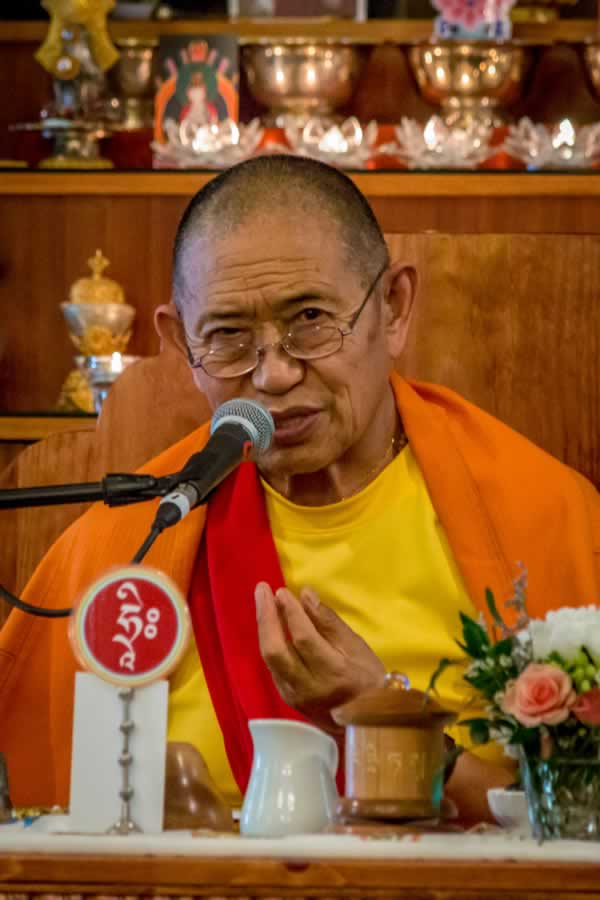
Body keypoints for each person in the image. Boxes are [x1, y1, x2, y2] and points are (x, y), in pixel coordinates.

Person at [1, 156, 599, 821]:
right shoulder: (123, 552)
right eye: (228, 336)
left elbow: (576, 819)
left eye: (310, 318)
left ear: (393, 309)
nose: (275, 375)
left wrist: (383, 716)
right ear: (181, 343)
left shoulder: (543, 518)